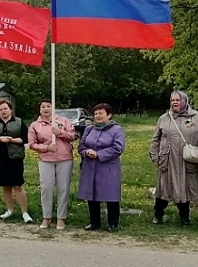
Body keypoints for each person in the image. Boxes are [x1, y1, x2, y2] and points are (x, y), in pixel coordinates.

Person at [149, 91, 198, 226]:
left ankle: (184, 217)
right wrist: (155, 157)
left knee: (184, 189)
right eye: (172, 100)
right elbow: (155, 139)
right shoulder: (164, 118)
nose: (174, 102)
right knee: (163, 189)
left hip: (187, 162)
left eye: (177, 100)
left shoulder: (197, 118)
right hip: (167, 160)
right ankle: (158, 215)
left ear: (185, 101)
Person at [28, 99, 76, 230]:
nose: (46, 108)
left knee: (63, 188)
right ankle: (47, 217)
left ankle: (61, 218)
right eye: (43, 106)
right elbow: (32, 144)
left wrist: (59, 132)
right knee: (46, 188)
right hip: (46, 160)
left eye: (49, 106)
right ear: (39, 110)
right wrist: (47, 148)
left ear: (53, 108)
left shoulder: (63, 121)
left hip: (64, 158)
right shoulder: (35, 125)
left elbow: (73, 136)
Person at [78, 103, 125, 232]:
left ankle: (113, 223)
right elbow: (81, 147)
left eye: (101, 113)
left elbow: (118, 148)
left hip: (108, 167)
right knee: (91, 195)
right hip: (90, 167)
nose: (97, 116)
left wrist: (99, 154)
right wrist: (86, 152)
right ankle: (94, 222)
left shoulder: (116, 130)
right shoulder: (89, 129)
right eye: (96, 114)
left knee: (111, 195)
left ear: (109, 115)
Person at [0, 99, 32, 223]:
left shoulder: (19, 122)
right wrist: (0, 138)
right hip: (0, 158)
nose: (3, 111)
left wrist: (11, 140)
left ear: (10, 109)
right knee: (5, 185)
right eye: (0, 110)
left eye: (5, 108)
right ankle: (9, 210)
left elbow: (25, 138)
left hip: (15, 158)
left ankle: (25, 212)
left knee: (17, 185)